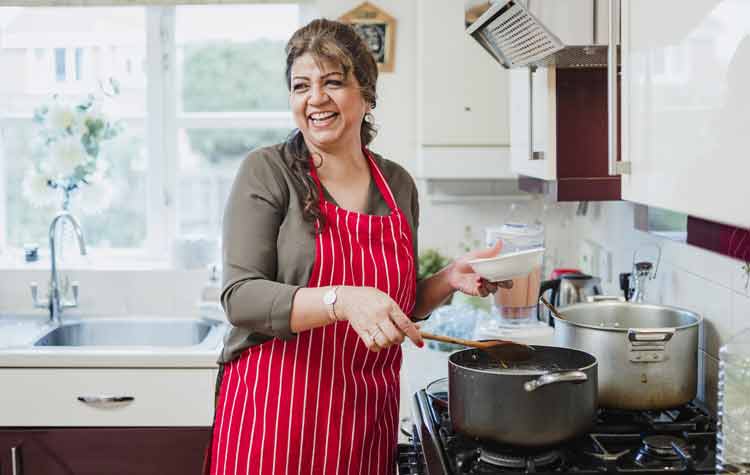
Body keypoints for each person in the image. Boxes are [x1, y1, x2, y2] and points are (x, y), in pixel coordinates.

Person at [206, 18, 503, 475]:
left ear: (366, 94)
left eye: (333, 82)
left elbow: (394, 306)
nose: (315, 98)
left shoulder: (397, 184)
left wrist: (447, 280)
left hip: (365, 421)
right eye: (301, 85)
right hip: (277, 416)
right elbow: (240, 297)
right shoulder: (268, 171)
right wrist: (339, 300)